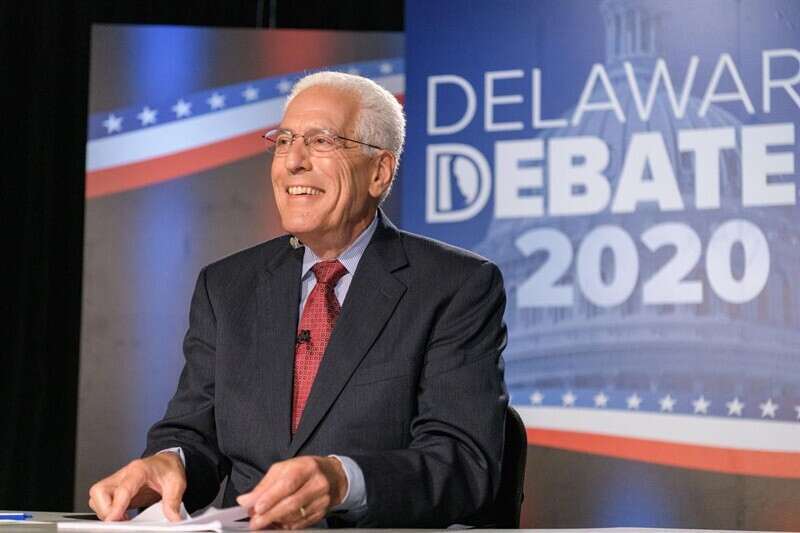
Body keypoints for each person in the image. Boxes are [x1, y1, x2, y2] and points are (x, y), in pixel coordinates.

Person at [88, 71, 508, 529]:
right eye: (284, 140)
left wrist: (342, 480)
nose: (293, 161)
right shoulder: (227, 287)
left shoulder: (455, 286)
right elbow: (194, 431)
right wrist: (170, 462)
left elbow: (463, 462)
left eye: (321, 141)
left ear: (380, 171)